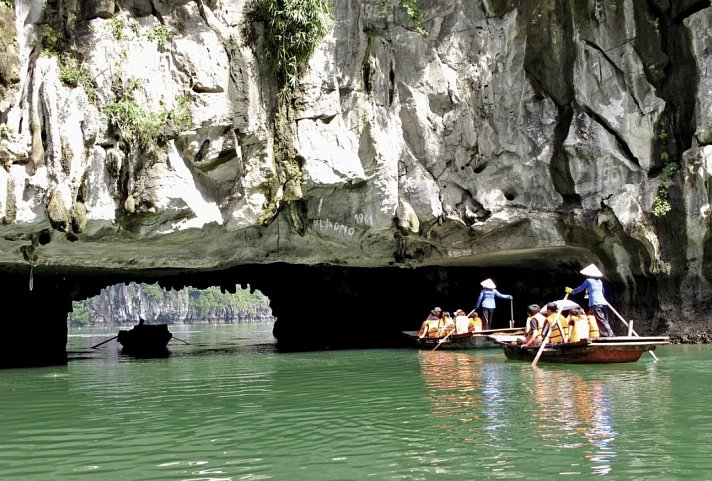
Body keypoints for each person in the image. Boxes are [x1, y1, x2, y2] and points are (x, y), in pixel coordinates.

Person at [566, 264, 615, 337]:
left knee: (601, 320)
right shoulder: (600, 282)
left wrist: (572, 291)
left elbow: (580, 288)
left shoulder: (588, 281)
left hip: (595, 303)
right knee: (602, 319)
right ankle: (604, 334)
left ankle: (611, 335)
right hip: (603, 302)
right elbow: (603, 291)